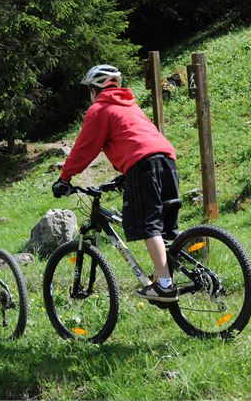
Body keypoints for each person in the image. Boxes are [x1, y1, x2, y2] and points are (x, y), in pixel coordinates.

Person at [52, 64, 180, 302]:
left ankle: (164, 284)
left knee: (147, 223)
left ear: (94, 89)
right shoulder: (130, 105)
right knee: (165, 226)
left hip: (142, 165)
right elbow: (136, 138)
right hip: (167, 160)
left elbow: (83, 149)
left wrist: (65, 178)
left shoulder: (100, 109)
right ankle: (174, 274)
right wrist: (125, 173)